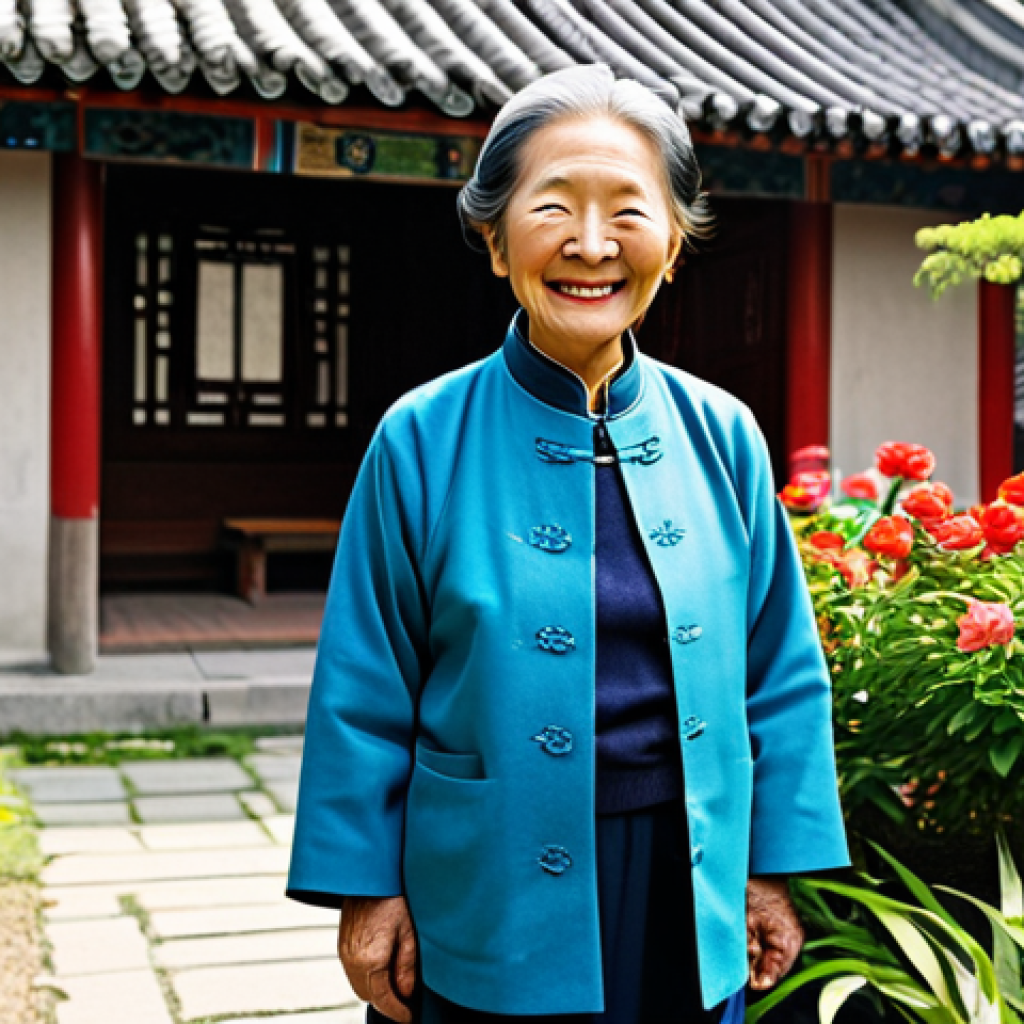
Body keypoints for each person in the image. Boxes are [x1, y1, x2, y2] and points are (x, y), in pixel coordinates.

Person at [286, 62, 851, 1024]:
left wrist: (768, 874)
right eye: (554, 208)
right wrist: (366, 891)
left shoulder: (724, 435)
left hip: (688, 870)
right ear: (497, 240)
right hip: (487, 875)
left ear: (673, 245)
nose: (591, 245)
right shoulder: (422, 438)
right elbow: (363, 685)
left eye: (629, 212)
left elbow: (781, 675)